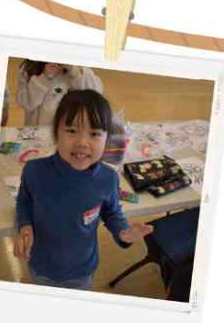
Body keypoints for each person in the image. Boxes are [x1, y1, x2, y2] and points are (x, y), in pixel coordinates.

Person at [12, 90, 153, 289]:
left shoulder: (108, 178)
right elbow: (24, 202)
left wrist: (123, 231)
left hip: (82, 272)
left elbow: (111, 213)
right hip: (41, 267)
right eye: (71, 131)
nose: (82, 142)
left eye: (95, 134)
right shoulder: (34, 171)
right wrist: (25, 229)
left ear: (107, 140)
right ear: (55, 132)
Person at [12, 59, 103, 127]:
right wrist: (43, 79)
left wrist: (75, 72)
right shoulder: (30, 66)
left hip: (70, 132)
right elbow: (26, 103)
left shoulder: (80, 66)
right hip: (39, 134)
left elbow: (94, 96)